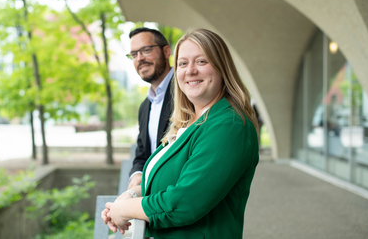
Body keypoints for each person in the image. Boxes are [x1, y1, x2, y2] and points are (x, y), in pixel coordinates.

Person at [102, 28, 259, 239]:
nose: (190, 70)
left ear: (222, 67)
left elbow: (185, 203)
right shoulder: (188, 124)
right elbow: (167, 181)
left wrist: (126, 210)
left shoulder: (228, 125)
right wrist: (130, 195)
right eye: (183, 64)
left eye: (202, 61)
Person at [127, 28, 174, 189]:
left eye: (146, 50)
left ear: (166, 51)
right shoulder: (145, 106)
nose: (140, 59)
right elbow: (142, 155)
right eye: (134, 54)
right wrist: (137, 174)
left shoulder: (188, 92)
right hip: (151, 200)